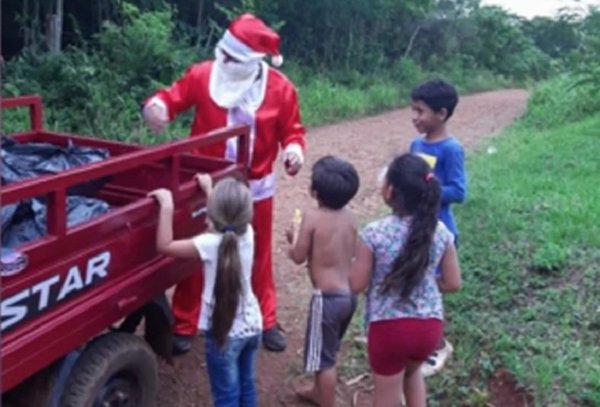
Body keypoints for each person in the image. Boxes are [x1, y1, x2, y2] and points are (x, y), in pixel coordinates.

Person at [142, 13, 307, 353]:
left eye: (233, 58)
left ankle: (266, 318)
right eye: (224, 53)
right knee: (198, 250)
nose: (224, 61)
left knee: (257, 254)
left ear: (252, 60)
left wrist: (293, 151)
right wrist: (157, 107)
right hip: (205, 184)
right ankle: (186, 322)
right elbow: (171, 98)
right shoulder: (204, 75)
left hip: (255, 188)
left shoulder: (281, 88)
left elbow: (293, 131)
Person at [351, 154, 462, 407]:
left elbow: (356, 285)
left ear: (389, 191)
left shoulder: (374, 233)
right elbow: (453, 283)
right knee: (412, 374)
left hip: (388, 330)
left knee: (386, 398)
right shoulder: (441, 232)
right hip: (429, 329)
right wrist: (428, 284)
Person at [149, 174, 261, 406]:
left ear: (211, 214)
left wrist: (167, 206)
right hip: (253, 325)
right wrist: (211, 190)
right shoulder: (247, 233)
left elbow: (164, 245)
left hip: (223, 333)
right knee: (246, 386)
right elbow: (227, 219)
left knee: (226, 397)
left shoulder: (208, 244)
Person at [286, 156, 360, 407]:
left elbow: (297, 256)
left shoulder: (312, 217)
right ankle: (318, 391)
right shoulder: (351, 217)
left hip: (326, 300)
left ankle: (325, 400)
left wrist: (293, 236)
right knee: (329, 350)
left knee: (324, 360)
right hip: (349, 295)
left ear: (314, 192)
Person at [408, 78, 467, 375]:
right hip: (416, 228)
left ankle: (438, 344)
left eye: (420, 111)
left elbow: (459, 190)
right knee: (417, 284)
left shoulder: (451, 149)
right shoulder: (415, 144)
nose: (415, 117)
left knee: (433, 290)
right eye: (413, 110)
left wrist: (428, 190)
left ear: (441, 114)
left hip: (440, 231)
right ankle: (416, 339)